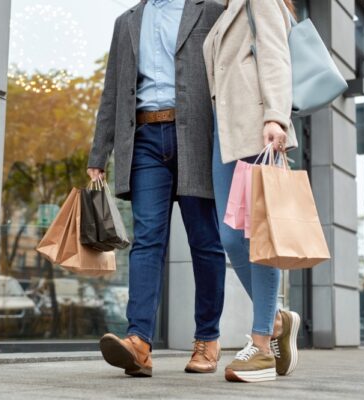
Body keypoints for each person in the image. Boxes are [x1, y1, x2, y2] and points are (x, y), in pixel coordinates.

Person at [87, 0, 225, 377]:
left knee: (205, 240)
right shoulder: (127, 21)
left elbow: (227, 72)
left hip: (195, 137)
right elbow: (112, 90)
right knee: (147, 238)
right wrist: (99, 151)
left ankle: (207, 339)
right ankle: (140, 342)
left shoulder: (209, 10)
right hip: (145, 137)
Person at [203, 0, 302, 383]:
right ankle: (276, 318)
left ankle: (261, 345)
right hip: (225, 135)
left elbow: (276, 55)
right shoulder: (225, 11)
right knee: (230, 237)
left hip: (257, 128)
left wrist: (276, 116)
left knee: (257, 235)